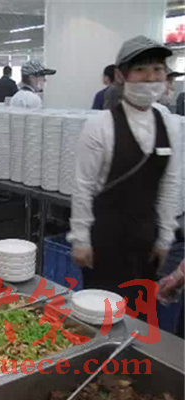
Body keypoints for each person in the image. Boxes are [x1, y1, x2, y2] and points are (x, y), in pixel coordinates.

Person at [69, 35, 179, 314]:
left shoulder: (168, 121)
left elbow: (169, 182)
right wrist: (81, 239)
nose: (150, 77)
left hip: (146, 236)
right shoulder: (100, 126)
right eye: (140, 69)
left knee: (139, 312)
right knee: (102, 311)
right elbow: (83, 187)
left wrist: (165, 236)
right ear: (121, 76)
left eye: (158, 69)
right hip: (106, 237)